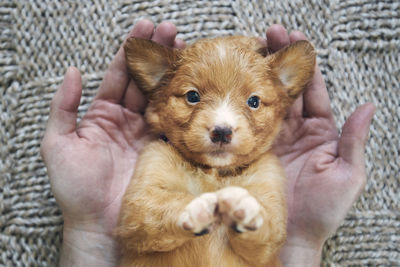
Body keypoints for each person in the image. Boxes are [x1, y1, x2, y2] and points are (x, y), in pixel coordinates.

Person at [40, 19, 375, 267]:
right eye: (192, 96)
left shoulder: (268, 171)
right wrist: (182, 215)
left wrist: (254, 226)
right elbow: (139, 225)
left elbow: (264, 245)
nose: (221, 124)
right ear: (159, 86)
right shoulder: (160, 157)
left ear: (281, 100)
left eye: (254, 101)